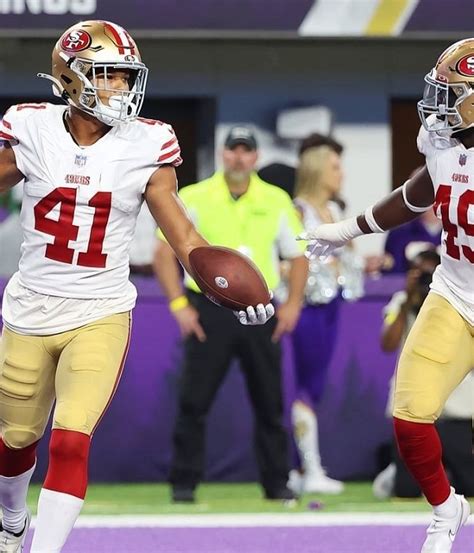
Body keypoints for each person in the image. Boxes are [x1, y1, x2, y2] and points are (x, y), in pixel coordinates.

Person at [0, 21, 273, 553]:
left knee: (72, 439)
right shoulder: (29, 128)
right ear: (71, 78)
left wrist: (228, 283)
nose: (121, 89)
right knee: (14, 443)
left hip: (100, 308)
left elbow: (184, 236)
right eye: (108, 76)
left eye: (127, 77)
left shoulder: (148, 142)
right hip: (30, 307)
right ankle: (10, 515)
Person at [298, 38, 474, 553]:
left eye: (455, 93)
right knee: (410, 416)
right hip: (457, 292)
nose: (440, 103)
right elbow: (422, 189)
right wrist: (349, 229)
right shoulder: (444, 141)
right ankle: (446, 509)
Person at [154, 125, 308, 503]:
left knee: (270, 402)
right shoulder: (193, 196)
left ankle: (276, 483)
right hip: (209, 309)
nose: (239, 157)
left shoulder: (276, 200)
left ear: (255, 157)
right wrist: (178, 305)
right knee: (194, 400)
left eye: (246, 151)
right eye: (233, 150)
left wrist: (292, 305)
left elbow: (298, 255)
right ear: (223, 154)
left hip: (261, 310)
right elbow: (162, 251)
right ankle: (183, 485)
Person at [281, 145, 363, 495]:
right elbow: (286, 258)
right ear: (317, 171)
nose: (340, 173)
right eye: (334, 167)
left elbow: (348, 257)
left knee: (315, 385)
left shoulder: (332, 210)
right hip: (308, 305)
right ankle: (309, 469)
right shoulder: (298, 211)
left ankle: (301, 469)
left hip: (332, 305)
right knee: (308, 385)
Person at [373, 249, 474, 500]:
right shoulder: (401, 300)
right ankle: (395, 471)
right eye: (420, 271)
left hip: (455, 407)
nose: (426, 277)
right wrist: (408, 299)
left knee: (471, 486)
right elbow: (387, 343)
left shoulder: (461, 299)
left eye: (431, 269)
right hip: (415, 407)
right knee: (406, 491)